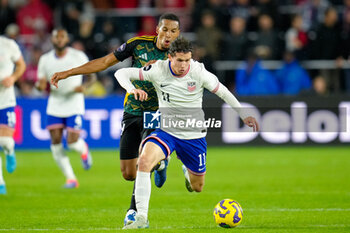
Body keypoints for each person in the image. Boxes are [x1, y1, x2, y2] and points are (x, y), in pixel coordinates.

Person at [114, 37, 259, 229]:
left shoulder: (198, 72)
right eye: (180, 60)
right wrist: (131, 89)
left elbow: (222, 92)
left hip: (193, 135)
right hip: (166, 130)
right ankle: (141, 218)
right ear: (170, 57)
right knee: (144, 161)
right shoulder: (158, 70)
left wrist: (243, 114)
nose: (184, 65)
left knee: (197, 187)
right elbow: (122, 73)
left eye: (187, 60)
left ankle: (185, 173)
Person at [50, 13, 181, 225]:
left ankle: (134, 212)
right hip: (132, 111)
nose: (168, 35)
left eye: (173, 31)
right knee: (128, 173)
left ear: (178, 33)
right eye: (165, 29)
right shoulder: (137, 45)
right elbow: (104, 62)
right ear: (157, 29)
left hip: (158, 113)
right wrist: (69, 73)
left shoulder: (180, 55)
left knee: (143, 159)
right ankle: (161, 164)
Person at [36, 28, 95, 189]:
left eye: (62, 37)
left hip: (74, 102)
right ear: (53, 40)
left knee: (72, 142)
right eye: (57, 37)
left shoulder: (78, 56)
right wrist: (39, 86)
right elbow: (41, 82)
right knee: (55, 142)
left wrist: (84, 87)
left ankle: (83, 149)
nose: (60, 40)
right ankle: (71, 179)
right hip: (55, 103)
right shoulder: (45, 59)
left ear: (66, 39)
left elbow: (92, 76)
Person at [0, 35, 26, 194]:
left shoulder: (8, 44)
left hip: (5, 101)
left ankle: (10, 151)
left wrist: (13, 78)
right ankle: (1, 183)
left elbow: (21, 65)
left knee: (5, 141)